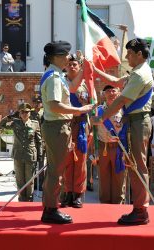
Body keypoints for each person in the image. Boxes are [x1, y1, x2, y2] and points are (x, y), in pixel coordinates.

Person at [92, 38, 153, 225]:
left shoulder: (139, 75)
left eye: (130, 54)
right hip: (133, 121)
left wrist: (101, 118)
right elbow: (117, 82)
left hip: (137, 122)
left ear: (139, 55)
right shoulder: (137, 72)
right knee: (134, 165)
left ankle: (141, 210)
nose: (127, 57)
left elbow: (120, 101)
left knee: (137, 166)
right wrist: (95, 71)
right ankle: (139, 208)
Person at [40, 41, 93, 224]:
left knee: (56, 169)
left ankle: (49, 206)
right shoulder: (54, 77)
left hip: (57, 127)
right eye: (66, 56)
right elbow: (55, 106)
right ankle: (51, 209)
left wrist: (84, 69)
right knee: (56, 171)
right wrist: (78, 110)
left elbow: (71, 88)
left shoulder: (55, 75)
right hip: (57, 127)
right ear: (57, 57)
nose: (68, 59)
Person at [60, 53, 90, 208]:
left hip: (81, 126)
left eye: (75, 64)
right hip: (66, 124)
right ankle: (67, 192)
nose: (72, 67)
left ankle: (78, 194)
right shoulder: (61, 82)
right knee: (67, 160)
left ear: (79, 67)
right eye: (69, 64)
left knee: (80, 161)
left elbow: (92, 105)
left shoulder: (86, 84)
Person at [0, 103, 40, 201]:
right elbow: (0, 125)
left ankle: (29, 198)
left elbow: (38, 140)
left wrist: (40, 156)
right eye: (22, 112)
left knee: (29, 179)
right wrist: (9, 117)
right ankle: (22, 198)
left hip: (30, 155)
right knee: (20, 179)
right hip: (18, 155)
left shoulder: (35, 123)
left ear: (29, 113)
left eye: (27, 112)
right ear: (19, 113)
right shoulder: (15, 123)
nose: (25, 114)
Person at [96, 85, 126, 204]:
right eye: (108, 90)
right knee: (103, 177)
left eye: (114, 90)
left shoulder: (124, 110)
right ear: (104, 94)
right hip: (103, 146)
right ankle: (104, 204)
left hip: (119, 148)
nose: (111, 93)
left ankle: (118, 203)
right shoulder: (98, 110)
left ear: (119, 92)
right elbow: (93, 128)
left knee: (119, 177)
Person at [30, 96, 45, 191]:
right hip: (33, 141)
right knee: (33, 164)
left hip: (43, 141)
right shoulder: (30, 113)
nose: (37, 104)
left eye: (38, 102)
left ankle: (42, 184)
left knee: (41, 164)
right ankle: (34, 184)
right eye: (35, 102)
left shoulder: (45, 113)